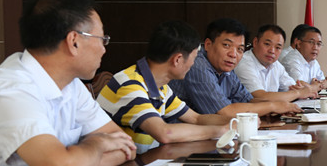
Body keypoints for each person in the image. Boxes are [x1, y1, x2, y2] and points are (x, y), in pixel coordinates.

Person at [0, 0, 136, 166]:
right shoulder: (10, 90)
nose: (104, 49)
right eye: (102, 38)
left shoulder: (72, 85)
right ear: (74, 41)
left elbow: (126, 146)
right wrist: (97, 143)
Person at [97, 20, 230, 153]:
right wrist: (220, 131)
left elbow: (196, 118)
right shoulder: (130, 84)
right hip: (117, 162)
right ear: (177, 60)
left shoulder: (161, 86)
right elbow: (165, 133)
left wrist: (235, 122)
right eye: (193, 58)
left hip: (141, 159)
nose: (193, 64)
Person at [169, 18, 300, 119]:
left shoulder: (226, 69)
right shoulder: (197, 66)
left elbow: (248, 100)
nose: (233, 54)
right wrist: (272, 106)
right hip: (178, 137)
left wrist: (278, 108)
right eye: (226, 45)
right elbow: (224, 112)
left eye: (240, 49)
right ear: (208, 44)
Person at [234, 24, 318, 102]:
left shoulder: (276, 65)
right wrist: (299, 93)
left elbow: (293, 87)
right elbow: (260, 97)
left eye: (278, 47)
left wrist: (300, 90)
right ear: (255, 42)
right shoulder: (244, 63)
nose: (272, 51)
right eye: (267, 44)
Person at [280, 24, 327, 89]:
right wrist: (317, 85)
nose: (315, 47)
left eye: (319, 44)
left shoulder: (314, 62)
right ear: (299, 43)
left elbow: (323, 81)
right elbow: (301, 87)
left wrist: (321, 83)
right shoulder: (291, 61)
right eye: (311, 42)